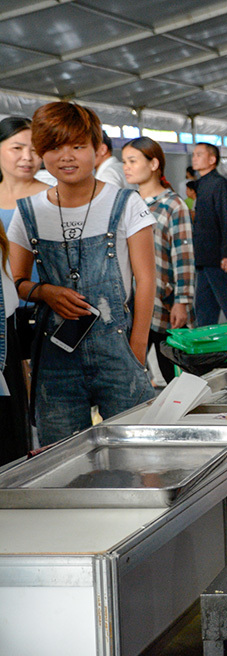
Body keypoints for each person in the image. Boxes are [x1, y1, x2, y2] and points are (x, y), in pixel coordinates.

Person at [8, 102, 156, 445]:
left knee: (136, 448)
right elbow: (15, 283)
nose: (66, 156)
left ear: (98, 150)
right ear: (42, 153)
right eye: (55, 147)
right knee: (62, 458)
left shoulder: (126, 203)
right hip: (55, 359)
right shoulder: (29, 212)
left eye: (77, 146)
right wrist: (44, 292)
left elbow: (145, 280)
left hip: (119, 349)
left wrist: (136, 347)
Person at [121, 137, 194, 383]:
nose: (126, 167)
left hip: (164, 304)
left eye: (132, 161)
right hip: (132, 302)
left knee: (173, 375)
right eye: (124, 162)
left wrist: (182, 301)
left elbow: (183, 256)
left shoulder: (173, 205)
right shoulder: (127, 203)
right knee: (132, 373)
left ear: (153, 164)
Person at [0, 116, 48, 464]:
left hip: (41, 312)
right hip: (5, 316)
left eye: (34, 149)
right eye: (17, 147)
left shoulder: (49, 194)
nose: (26, 157)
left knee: (35, 403)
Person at [190, 142, 227, 325]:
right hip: (204, 257)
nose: (194, 157)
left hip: (218, 257)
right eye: (194, 154)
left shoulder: (219, 184)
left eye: (199, 154)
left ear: (212, 159)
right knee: (204, 307)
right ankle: (205, 346)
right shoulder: (202, 185)